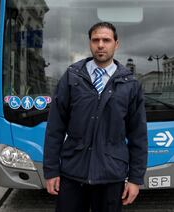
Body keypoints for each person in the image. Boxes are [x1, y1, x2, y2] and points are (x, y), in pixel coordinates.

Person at [43, 22, 147, 212]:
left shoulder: (130, 84)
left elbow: (138, 134)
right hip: (72, 172)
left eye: (106, 40)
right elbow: (55, 128)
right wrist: (51, 171)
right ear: (89, 43)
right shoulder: (72, 77)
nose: (100, 45)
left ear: (116, 44)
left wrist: (135, 179)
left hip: (111, 175)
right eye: (95, 40)